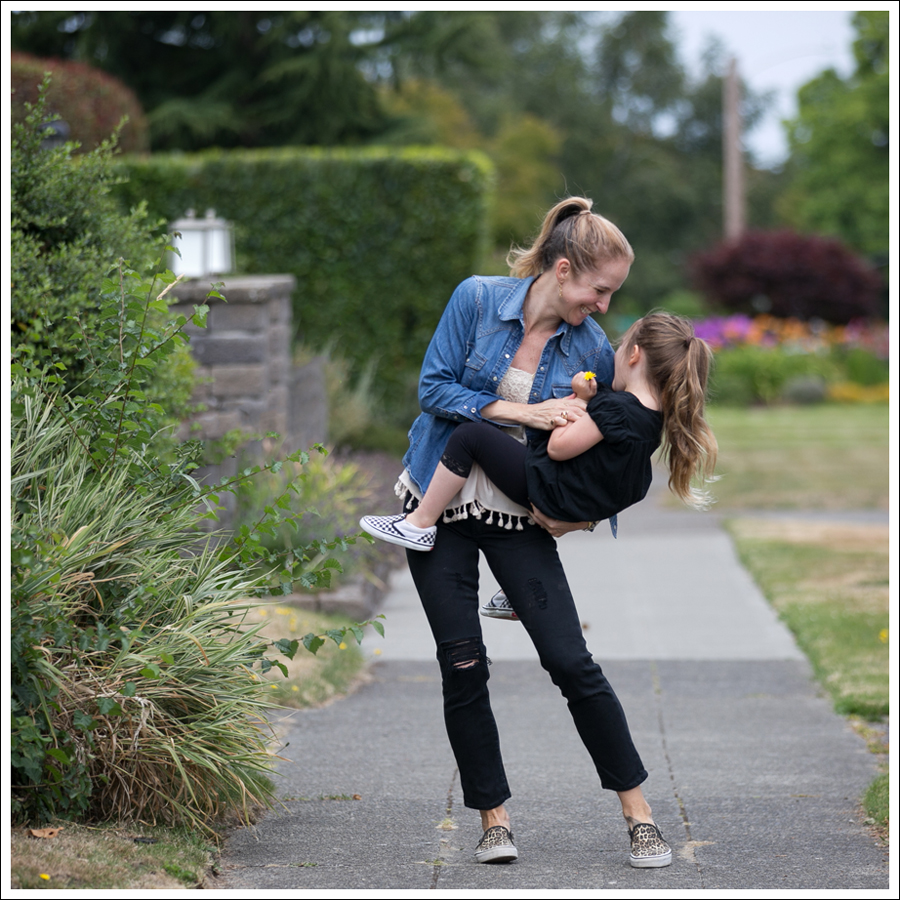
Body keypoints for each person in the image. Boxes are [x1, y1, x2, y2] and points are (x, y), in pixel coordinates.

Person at [371, 197, 679, 869]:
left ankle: (640, 815)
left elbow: (605, 456)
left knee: (571, 662)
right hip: (440, 501)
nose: (603, 305)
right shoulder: (477, 301)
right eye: (598, 290)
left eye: (611, 295)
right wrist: (525, 412)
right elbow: (434, 388)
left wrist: (578, 519)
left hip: (522, 516)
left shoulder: (593, 349)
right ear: (564, 270)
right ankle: (493, 819)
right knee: (463, 665)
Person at [360, 312, 717, 565]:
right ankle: (512, 592)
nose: (617, 353)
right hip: (579, 506)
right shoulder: (653, 421)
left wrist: (578, 400)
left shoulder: (619, 408)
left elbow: (560, 448)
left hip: (551, 493)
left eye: (622, 346)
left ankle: (420, 522)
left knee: (471, 437)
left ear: (635, 354)